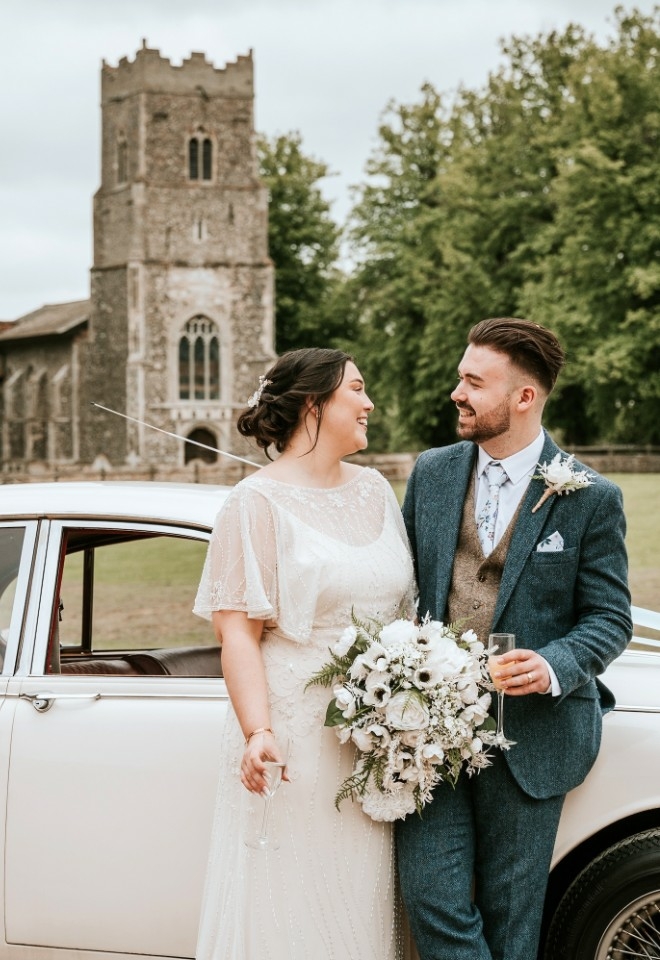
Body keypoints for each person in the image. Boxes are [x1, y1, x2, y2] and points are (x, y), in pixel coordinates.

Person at [396, 317, 632, 960]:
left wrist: (554, 664)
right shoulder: (433, 473)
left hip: (534, 735)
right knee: (432, 900)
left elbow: (610, 616)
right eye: (459, 377)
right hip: (430, 733)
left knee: (511, 916)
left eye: (474, 381)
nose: (456, 393)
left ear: (524, 397)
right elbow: (404, 590)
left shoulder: (591, 497)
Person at [193, 347, 416, 960]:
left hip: (375, 738)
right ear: (315, 405)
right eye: (358, 390)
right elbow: (237, 630)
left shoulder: (374, 490)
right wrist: (257, 730)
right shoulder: (253, 503)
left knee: (358, 895)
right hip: (295, 737)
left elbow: (406, 610)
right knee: (292, 897)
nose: (369, 404)